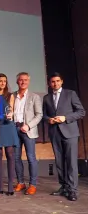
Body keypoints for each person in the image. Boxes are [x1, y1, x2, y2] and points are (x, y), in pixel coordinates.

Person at [43, 72, 85, 201]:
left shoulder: (70, 94)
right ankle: (64, 186)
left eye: (57, 81)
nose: (55, 84)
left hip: (70, 133)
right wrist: (48, 119)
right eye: (52, 82)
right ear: (50, 84)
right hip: (55, 133)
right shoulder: (46, 98)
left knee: (71, 163)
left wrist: (65, 118)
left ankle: (72, 190)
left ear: (62, 81)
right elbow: (43, 115)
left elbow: (81, 112)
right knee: (60, 162)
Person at [13, 72, 42, 195]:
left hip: (28, 130)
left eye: (25, 80)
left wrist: (28, 125)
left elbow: (39, 114)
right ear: (17, 81)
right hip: (14, 129)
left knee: (31, 158)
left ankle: (33, 184)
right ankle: (20, 182)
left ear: (28, 81)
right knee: (16, 158)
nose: (23, 82)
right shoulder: (12, 95)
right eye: (20, 80)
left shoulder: (34, 97)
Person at [0, 73, 20, 195]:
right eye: (0, 81)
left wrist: (11, 114)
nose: (2, 83)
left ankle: (10, 185)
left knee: (10, 154)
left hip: (8, 126)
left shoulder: (10, 95)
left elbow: (11, 109)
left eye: (4, 81)